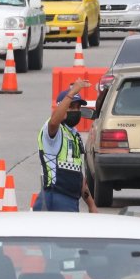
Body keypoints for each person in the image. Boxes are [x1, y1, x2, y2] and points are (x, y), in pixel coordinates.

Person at [34, 81, 98, 213]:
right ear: (61, 108)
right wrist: (71, 94)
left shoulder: (74, 136)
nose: (76, 111)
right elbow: (53, 122)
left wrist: (91, 204)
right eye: (71, 107)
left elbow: (77, 174)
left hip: (71, 200)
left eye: (78, 107)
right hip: (54, 197)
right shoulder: (54, 132)